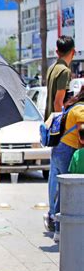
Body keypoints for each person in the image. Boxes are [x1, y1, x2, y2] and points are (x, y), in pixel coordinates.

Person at [47, 89, 84, 242]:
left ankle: (56, 226)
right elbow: (82, 131)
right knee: (68, 190)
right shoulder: (81, 109)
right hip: (68, 151)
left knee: (61, 189)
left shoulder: (73, 105)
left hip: (59, 149)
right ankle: (60, 229)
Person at [45, 36, 75, 119]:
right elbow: (58, 103)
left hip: (48, 121)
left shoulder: (51, 68)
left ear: (57, 52)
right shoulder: (64, 71)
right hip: (56, 125)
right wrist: (61, 126)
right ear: (73, 52)